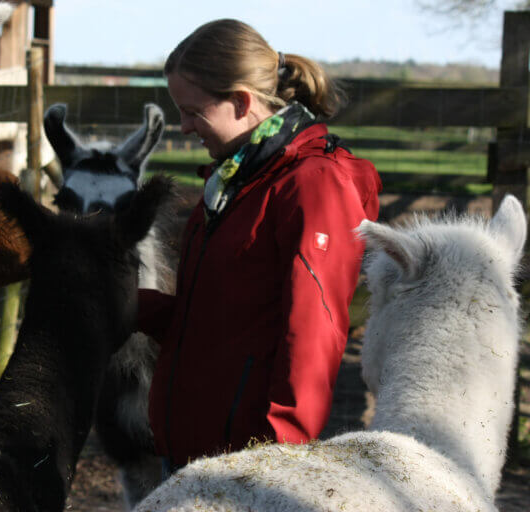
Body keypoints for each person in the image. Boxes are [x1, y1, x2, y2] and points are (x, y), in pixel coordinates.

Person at [137, 19, 382, 475]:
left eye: (192, 112)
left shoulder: (312, 187)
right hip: (197, 450)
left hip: (247, 465)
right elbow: (214, 315)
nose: (185, 127)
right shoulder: (234, 181)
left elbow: (313, 337)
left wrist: (275, 464)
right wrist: (123, 306)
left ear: (241, 101)